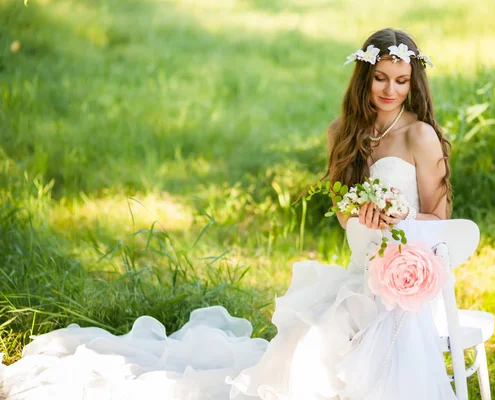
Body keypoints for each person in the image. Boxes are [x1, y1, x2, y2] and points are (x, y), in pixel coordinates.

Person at [0, 28, 457, 400]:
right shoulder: (342, 132)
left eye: (400, 81)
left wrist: (402, 222)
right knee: (306, 348)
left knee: (328, 348)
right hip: (361, 272)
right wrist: (361, 215)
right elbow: (342, 213)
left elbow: (442, 216)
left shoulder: (419, 137)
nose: (390, 90)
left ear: (412, 82)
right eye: (381, 78)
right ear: (364, 75)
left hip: (407, 280)